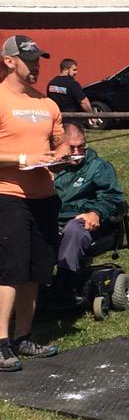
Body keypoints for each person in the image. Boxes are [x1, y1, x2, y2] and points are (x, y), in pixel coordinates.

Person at [0, 34, 69, 372]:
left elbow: (60, 144)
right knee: (9, 270)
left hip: (45, 197)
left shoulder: (47, 104)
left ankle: (23, 336)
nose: (36, 67)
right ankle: (0, 344)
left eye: (39, 61)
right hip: (8, 196)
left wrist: (63, 155)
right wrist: (22, 157)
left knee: (35, 271)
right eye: (30, 61)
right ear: (9, 61)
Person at [53, 122, 125, 301]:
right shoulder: (52, 168)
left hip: (86, 221)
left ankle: (65, 284)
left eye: (81, 147)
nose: (77, 152)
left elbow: (112, 197)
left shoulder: (98, 167)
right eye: (72, 147)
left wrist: (96, 213)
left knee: (74, 229)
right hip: (53, 220)